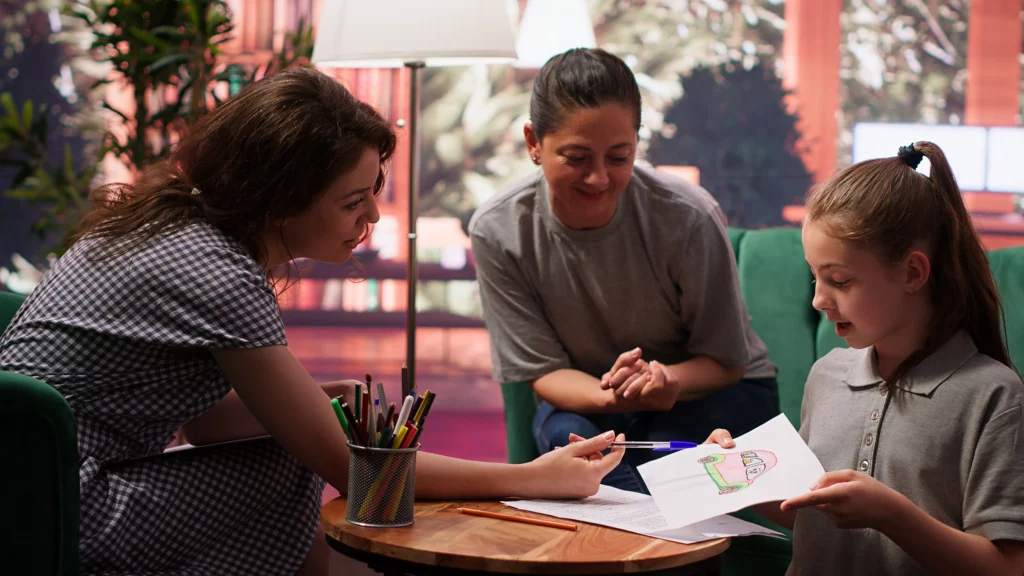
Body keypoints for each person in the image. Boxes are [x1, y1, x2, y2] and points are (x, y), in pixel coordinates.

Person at [0, 67, 626, 576]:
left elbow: (203, 423)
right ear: (279, 197)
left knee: (292, 448)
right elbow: (349, 468)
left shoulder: (174, 227)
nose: (374, 217)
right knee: (290, 464)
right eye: (355, 200)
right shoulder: (217, 272)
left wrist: (309, 403)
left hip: (30, 486)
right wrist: (531, 479)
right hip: (50, 503)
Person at [704, 142, 1024, 575]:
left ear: (912, 273)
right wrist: (740, 480)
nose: (818, 299)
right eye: (813, 276)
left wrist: (892, 515)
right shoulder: (827, 376)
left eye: (839, 280)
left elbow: (1005, 566)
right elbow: (812, 514)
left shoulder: (993, 397)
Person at [468, 48, 779, 494]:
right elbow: (543, 370)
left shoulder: (687, 215)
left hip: (713, 390)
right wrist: (612, 396)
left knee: (657, 458)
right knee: (569, 442)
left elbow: (727, 364)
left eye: (618, 157)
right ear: (534, 142)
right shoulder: (499, 230)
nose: (598, 178)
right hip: (593, 398)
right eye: (576, 157)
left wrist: (666, 380)